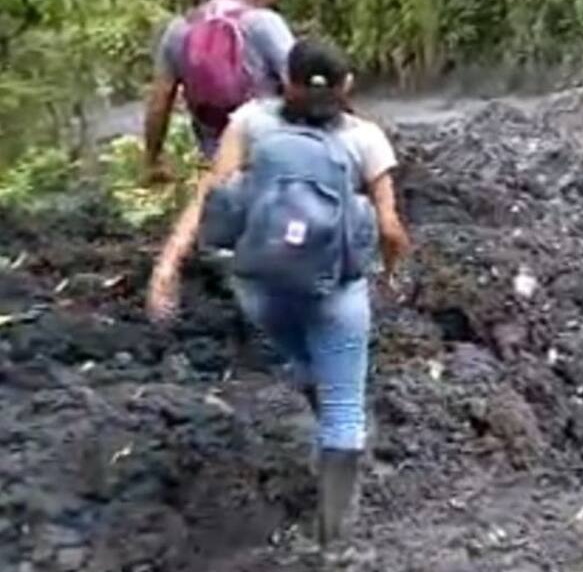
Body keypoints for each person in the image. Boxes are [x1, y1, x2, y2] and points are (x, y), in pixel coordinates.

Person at [146, 40, 412, 544]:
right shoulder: (366, 138)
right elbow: (390, 227)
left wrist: (168, 264)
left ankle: (315, 383)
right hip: (336, 292)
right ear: (347, 86)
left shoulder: (250, 121)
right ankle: (333, 539)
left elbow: (213, 197)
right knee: (345, 408)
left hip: (261, 289)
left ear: (282, 79)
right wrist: (394, 271)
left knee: (306, 360)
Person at [144, 0, 296, 180]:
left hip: (219, 158)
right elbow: (297, 81)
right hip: (272, 150)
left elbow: (159, 101)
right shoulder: (263, 22)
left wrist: (153, 159)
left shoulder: (179, 30)